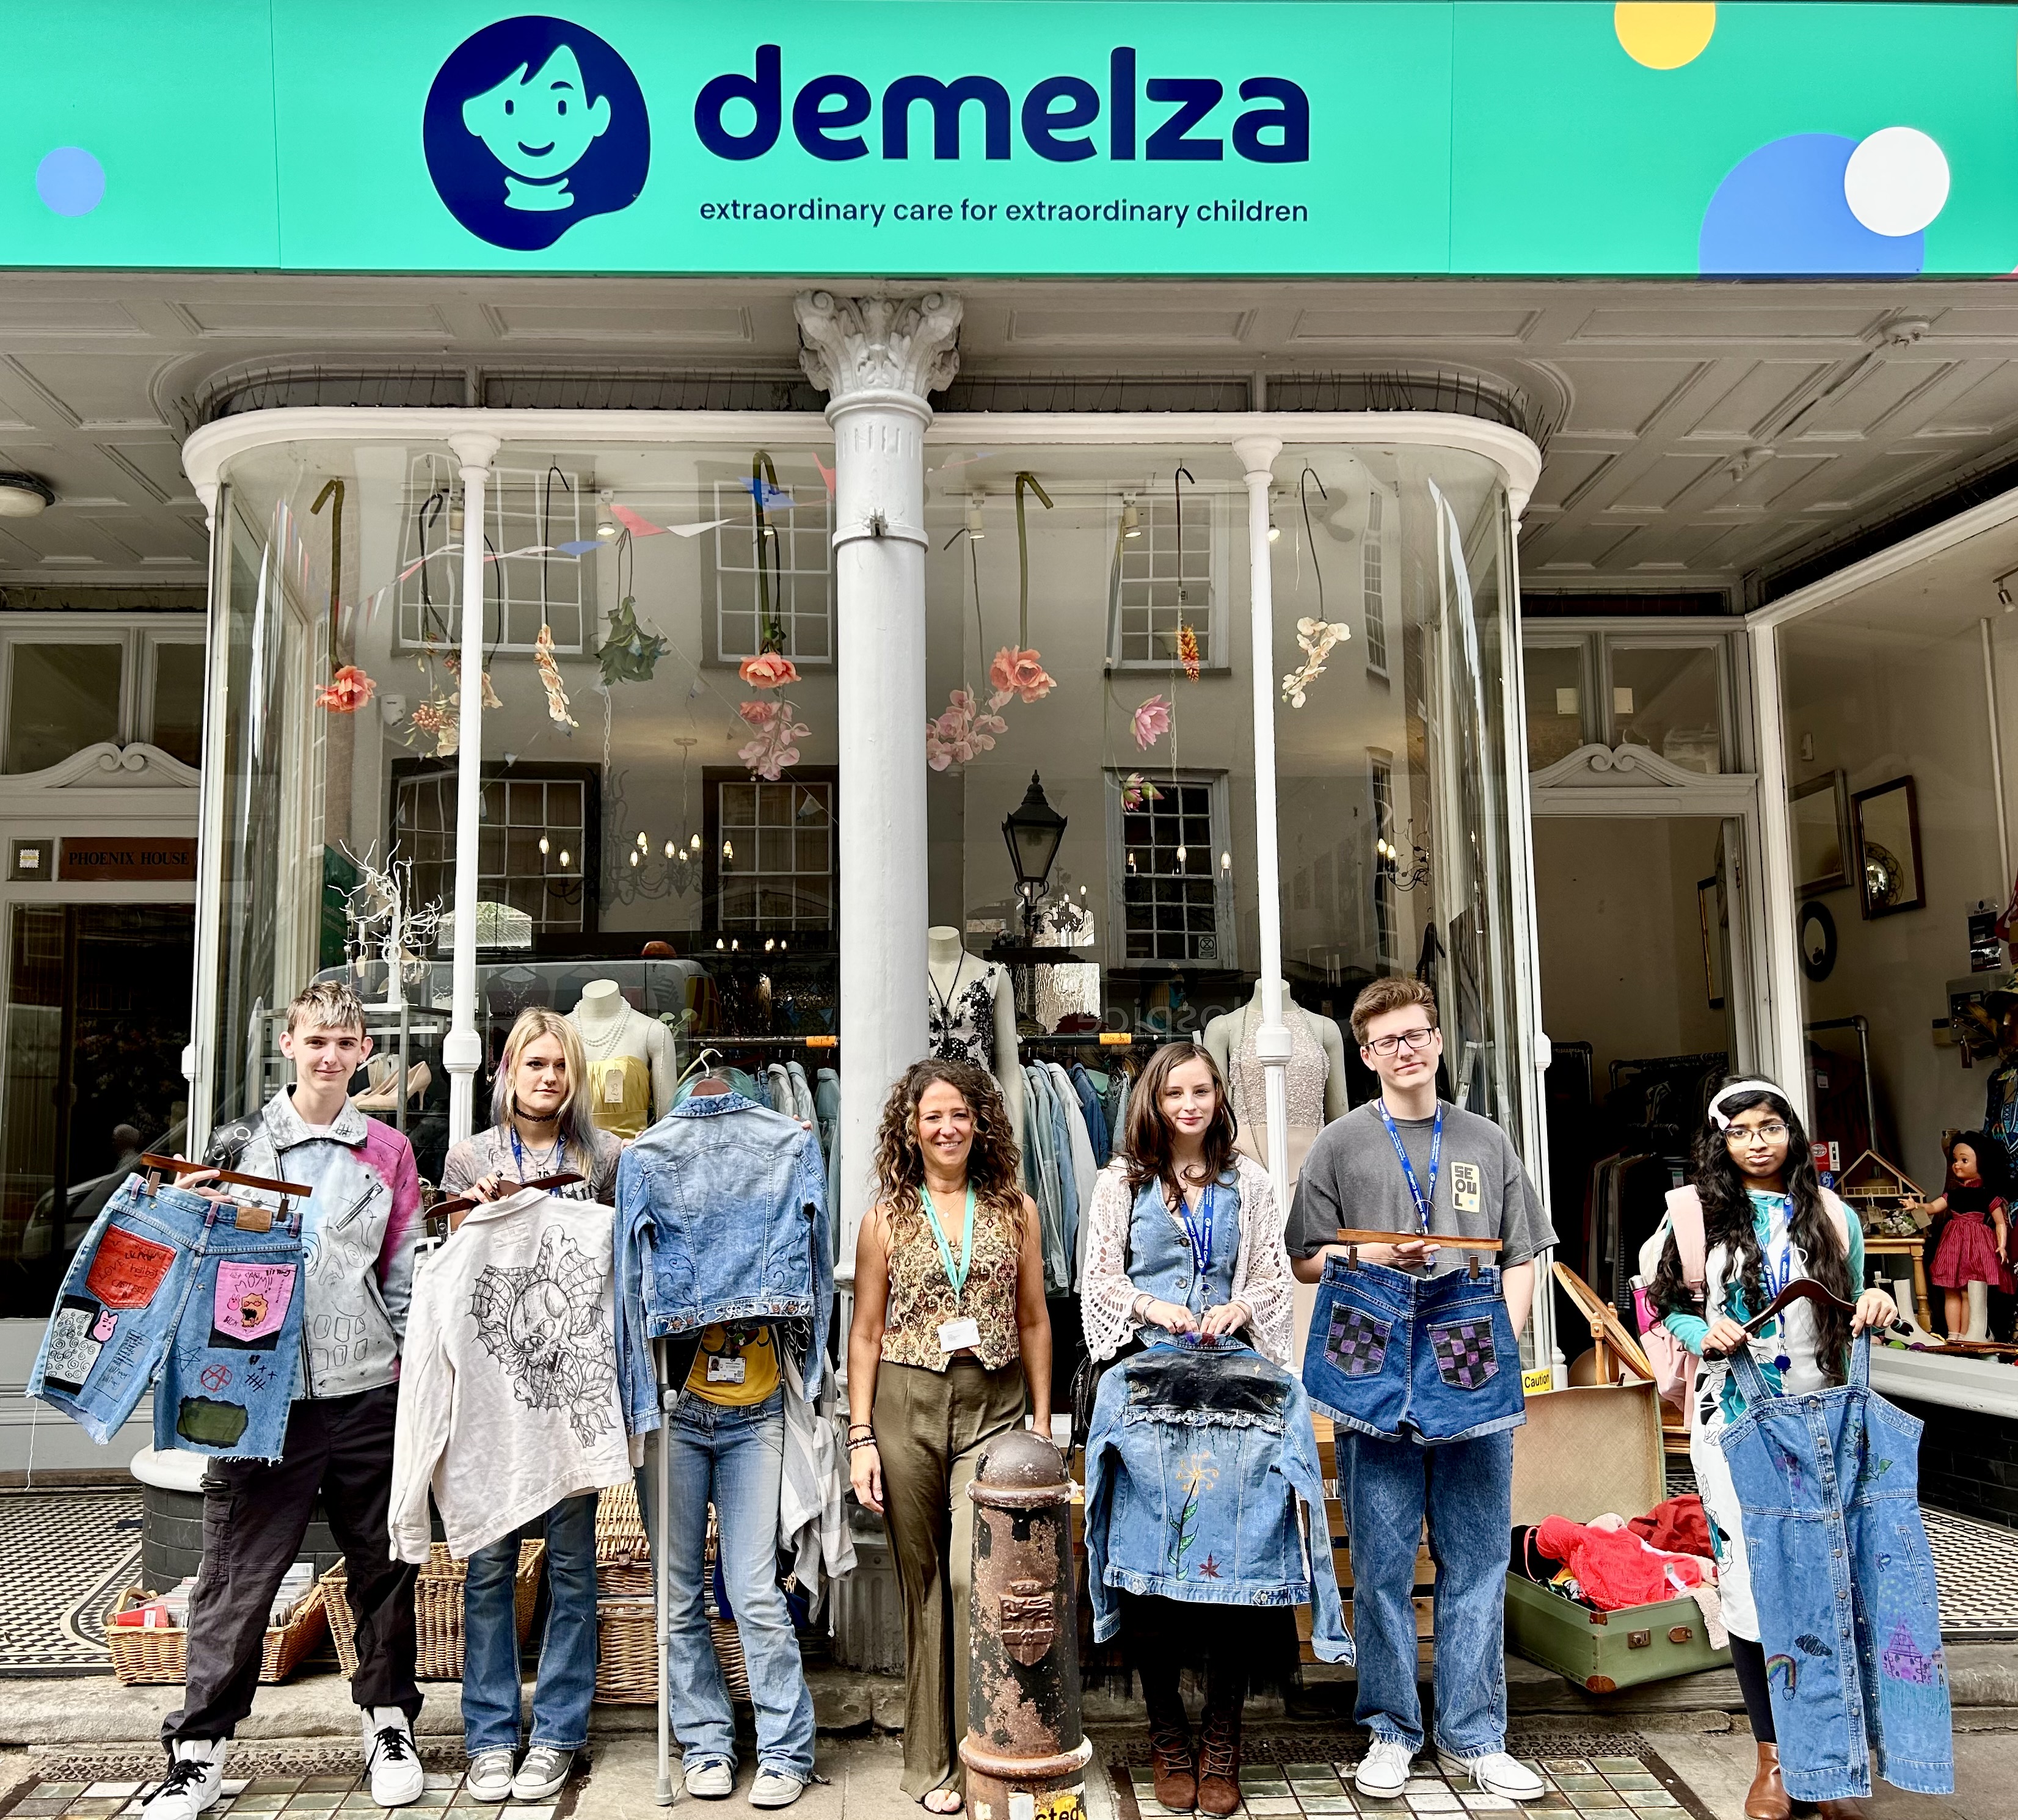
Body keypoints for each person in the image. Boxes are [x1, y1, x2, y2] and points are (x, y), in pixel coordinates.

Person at [145, 981, 424, 1820]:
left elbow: (403, 1271)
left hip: (368, 1388)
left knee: (385, 1568)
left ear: (364, 1051)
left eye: (346, 1043)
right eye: (317, 1041)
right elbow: (193, 1263)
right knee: (236, 1577)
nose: (331, 1056)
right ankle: (198, 1753)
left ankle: (388, 1725)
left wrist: (408, 1373)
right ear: (289, 1045)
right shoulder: (239, 1144)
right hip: (261, 1399)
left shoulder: (388, 1151)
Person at [1288, 977, 1553, 1805]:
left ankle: (1476, 1735)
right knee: (1382, 1561)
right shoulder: (1339, 1144)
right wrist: (1367, 1260)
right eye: (1388, 1040)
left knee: (1476, 1559)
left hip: (1469, 1336)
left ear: (1438, 1040)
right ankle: (1391, 1731)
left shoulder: (1486, 1139)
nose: (1406, 1050)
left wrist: (1498, 1346)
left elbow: (1525, 1257)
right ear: (1364, 1055)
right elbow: (1302, 1259)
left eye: (1418, 1034)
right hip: (1375, 1338)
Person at [1648, 1079, 1896, 1820]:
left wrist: (1879, 1304)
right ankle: (1775, 1756)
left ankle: (1831, 1758)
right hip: (1731, 1423)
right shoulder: (1693, 1216)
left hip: (1822, 1424)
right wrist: (1703, 1333)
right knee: (1753, 1582)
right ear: (1719, 1143)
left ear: (1791, 1133)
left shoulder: (1832, 1214)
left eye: (1769, 1127)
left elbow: (1853, 1305)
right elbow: (1659, 1302)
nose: (1756, 1142)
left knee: (1827, 1583)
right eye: (1739, 1132)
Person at [1080, 1042, 1301, 1816]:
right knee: (1147, 1567)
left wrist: (1240, 1307)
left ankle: (1221, 1741)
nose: (1188, 1105)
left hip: (1231, 1389)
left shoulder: (1252, 1181)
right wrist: (1151, 1306)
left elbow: (1273, 1276)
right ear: (1153, 1098)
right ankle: (1166, 1734)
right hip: (1149, 1385)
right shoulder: (1121, 1182)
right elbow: (1099, 1278)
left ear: (1218, 1096)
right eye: (1174, 1092)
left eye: (1202, 1090)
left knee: (1233, 1565)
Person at [848, 1060, 1053, 1814]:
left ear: (980, 1123)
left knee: (977, 1580)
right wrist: (859, 1436)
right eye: (932, 1116)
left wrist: (1041, 1423)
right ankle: (930, 1764)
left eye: (960, 1115)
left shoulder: (1015, 1209)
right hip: (906, 1402)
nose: (947, 1128)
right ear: (911, 1127)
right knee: (924, 1581)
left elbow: (1034, 1318)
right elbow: (864, 1333)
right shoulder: (885, 1218)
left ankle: (984, 1754)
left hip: (993, 1407)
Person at [436, 1008, 622, 1804]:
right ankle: (488, 1737)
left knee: (574, 1572)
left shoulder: (606, 1156)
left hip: (571, 1394)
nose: (548, 1078)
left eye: (560, 1066)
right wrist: (475, 1209)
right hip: (493, 1399)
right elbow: (446, 1273)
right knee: (488, 1567)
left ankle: (556, 1735)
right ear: (508, 1069)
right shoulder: (468, 1157)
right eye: (534, 1063)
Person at [1919, 1130, 2013, 1341]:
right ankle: (1953, 1335)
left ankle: (1968, 1334)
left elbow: (2000, 1222)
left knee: (1970, 1291)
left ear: (1982, 1163)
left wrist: (2002, 1246)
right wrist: (1917, 1205)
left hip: (1978, 1246)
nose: (1957, 1165)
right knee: (1950, 1289)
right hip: (1953, 1244)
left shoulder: (1988, 1195)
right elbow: (1934, 1207)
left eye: (1964, 1160)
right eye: (1955, 1160)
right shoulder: (1953, 1193)